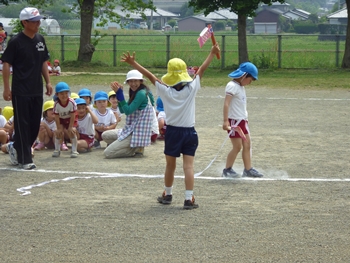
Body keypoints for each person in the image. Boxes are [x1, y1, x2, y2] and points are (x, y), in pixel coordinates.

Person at [120, 43, 221, 209]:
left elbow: (151, 76)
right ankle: (189, 198)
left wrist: (133, 64)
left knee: (170, 166)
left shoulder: (165, 91)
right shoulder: (191, 88)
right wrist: (212, 53)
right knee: (188, 166)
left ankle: (167, 194)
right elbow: (201, 70)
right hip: (190, 132)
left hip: (172, 132)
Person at [1, 7, 53, 170]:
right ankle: (25, 159)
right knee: (22, 124)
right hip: (20, 89)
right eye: (34, 21)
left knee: (33, 124)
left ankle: (15, 146)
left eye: (38, 21)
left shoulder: (40, 39)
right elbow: (6, 63)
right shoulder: (16, 41)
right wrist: (7, 88)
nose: (38, 24)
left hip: (36, 88)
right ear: (24, 22)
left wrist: (48, 82)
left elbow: (43, 61)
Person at [222, 62, 264, 178]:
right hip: (234, 122)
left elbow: (241, 105)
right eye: (250, 80)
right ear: (244, 76)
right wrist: (226, 121)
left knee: (247, 144)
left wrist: (245, 119)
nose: (250, 83)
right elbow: (226, 104)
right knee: (237, 146)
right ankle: (227, 169)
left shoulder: (240, 86)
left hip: (241, 121)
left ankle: (248, 169)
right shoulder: (232, 86)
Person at [102, 70, 155, 158]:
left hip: (138, 131)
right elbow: (123, 110)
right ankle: (135, 146)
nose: (133, 83)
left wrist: (119, 93)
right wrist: (119, 95)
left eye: (135, 81)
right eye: (130, 81)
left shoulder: (141, 93)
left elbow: (127, 111)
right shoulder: (135, 91)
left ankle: (134, 149)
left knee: (108, 153)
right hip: (132, 129)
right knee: (105, 135)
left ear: (140, 81)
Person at [52, 82, 78, 158]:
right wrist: (59, 128)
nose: (64, 95)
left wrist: (70, 126)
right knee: (58, 132)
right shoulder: (56, 104)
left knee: (72, 132)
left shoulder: (71, 102)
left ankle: (74, 150)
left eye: (66, 93)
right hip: (61, 119)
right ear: (57, 95)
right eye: (61, 93)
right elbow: (56, 117)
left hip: (70, 118)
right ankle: (57, 149)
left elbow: (73, 115)